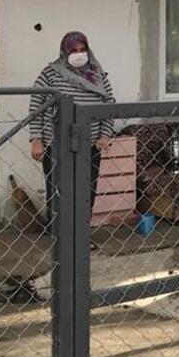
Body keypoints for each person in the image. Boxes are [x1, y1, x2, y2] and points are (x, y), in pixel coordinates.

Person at [28, 31, 116, 227]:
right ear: (64, 52)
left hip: (89, 146)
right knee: (57, 192)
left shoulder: (98, 76)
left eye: (82, 50)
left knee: (86, 192)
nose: (79, 54)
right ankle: (57, 234)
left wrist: (105, 135)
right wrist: (36, 139)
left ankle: (81, 232)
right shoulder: (50, 74)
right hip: (56, 146)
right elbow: (36, 106)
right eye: (73, 50)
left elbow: (109, 105)